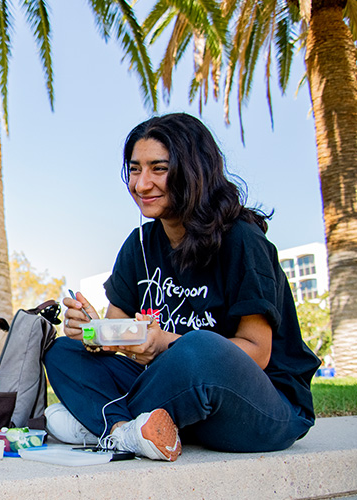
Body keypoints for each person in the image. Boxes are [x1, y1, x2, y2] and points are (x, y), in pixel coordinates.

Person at [45, 113, 320, 461]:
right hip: (179, 399)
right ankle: (125, 431)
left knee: (198, 349)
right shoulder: (140, 244)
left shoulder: (241, 240)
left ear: (193, 169)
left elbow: (257, 352)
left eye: (158, 169)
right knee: (62, 352)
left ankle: (102, 421)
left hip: (260, 409)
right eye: (134, 169)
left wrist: (165, 344)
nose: (142, 184)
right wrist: (92, 331)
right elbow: (119, 338)